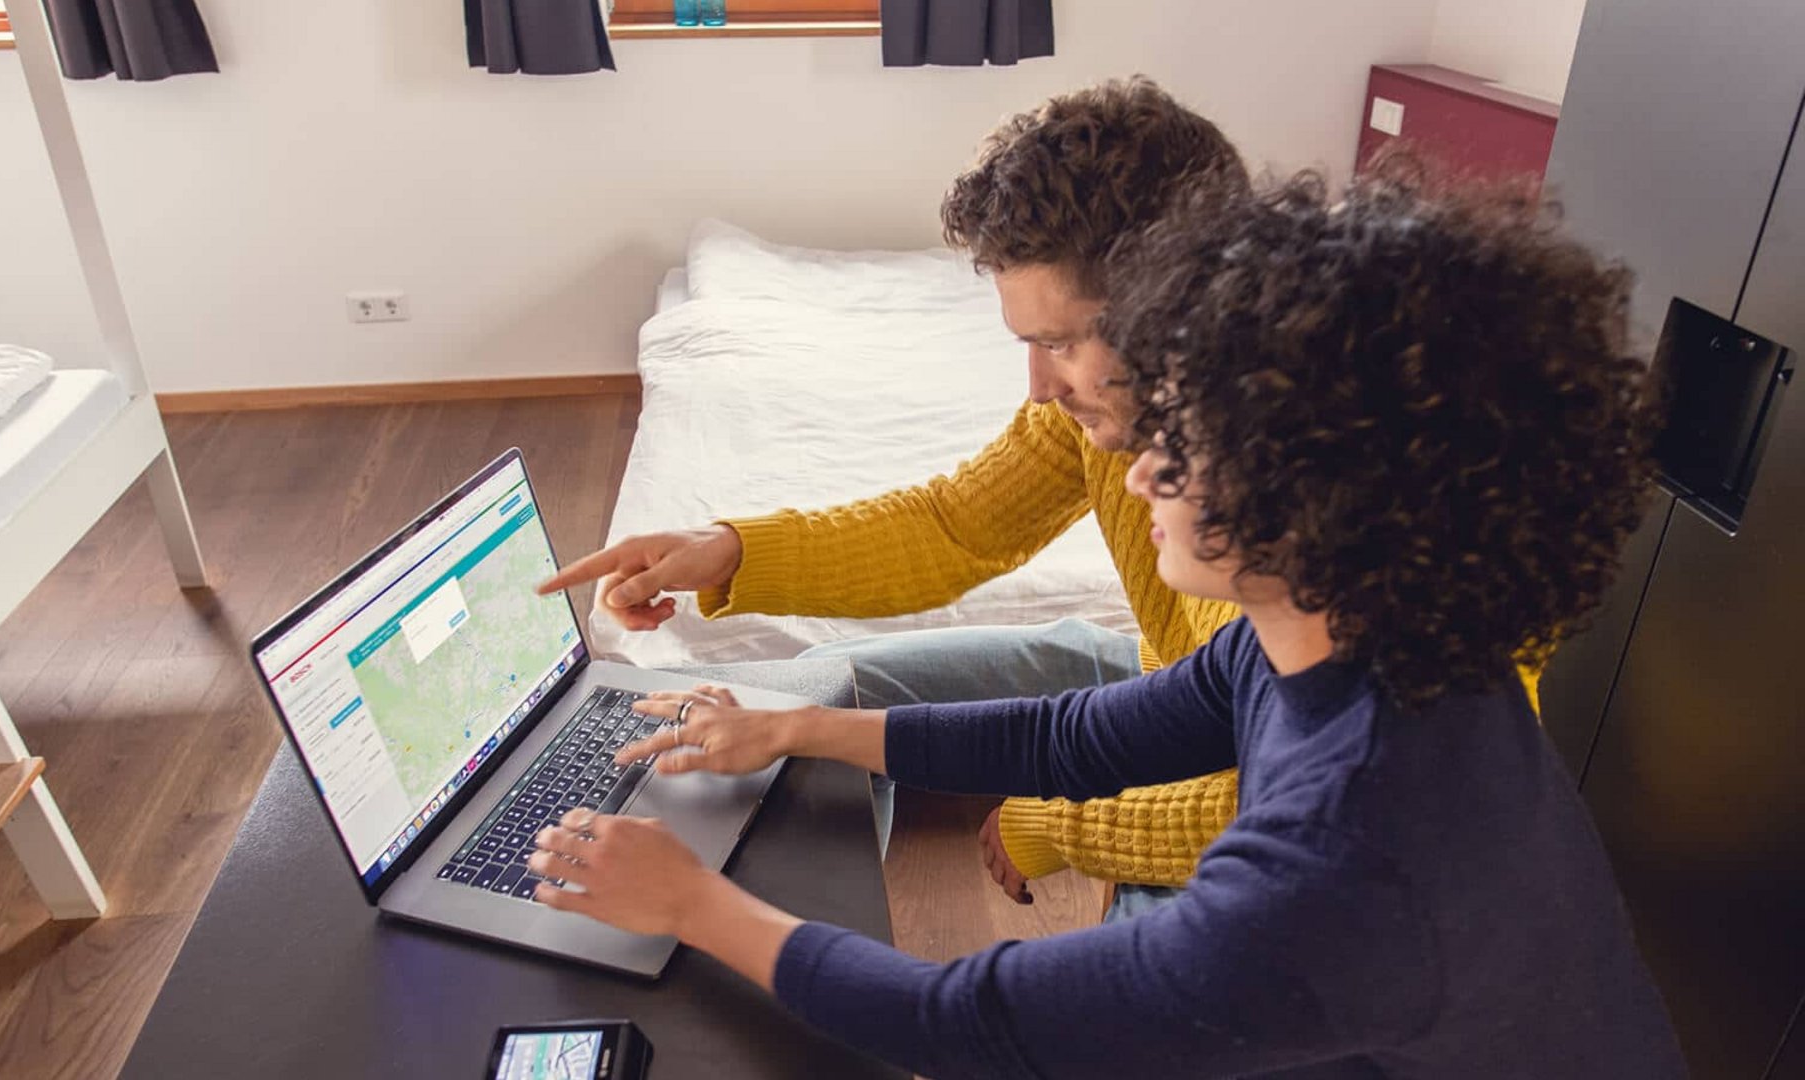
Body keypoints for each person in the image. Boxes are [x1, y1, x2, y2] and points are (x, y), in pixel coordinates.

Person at [519, 170, 1688, 1078]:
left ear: (1313, 489)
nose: (1134, 471)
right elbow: (1083, 736)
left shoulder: (1348, 860)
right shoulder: (1366, 643)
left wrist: (692, 904)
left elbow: (964, 1026)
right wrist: (799, 732)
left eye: (1183, 437)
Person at [540, 77, 1258, 913]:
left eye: (1059, 343)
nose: (1037, 387)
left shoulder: (1279, 497)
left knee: (1148, 972)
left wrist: (1057, 824)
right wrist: (729, 549)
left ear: (1179, 305)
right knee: (818, 683)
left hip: (1237, 800)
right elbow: (957, 528)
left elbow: (1276, 799)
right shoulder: (1108, 414)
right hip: (1164, 682)